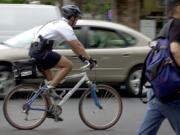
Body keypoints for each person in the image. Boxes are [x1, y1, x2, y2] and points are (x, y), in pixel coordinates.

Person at [29, 5, 96, 121]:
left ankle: (50, 110)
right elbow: (77, 45)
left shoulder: (57, 23)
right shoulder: (65, 26)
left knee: (50, 81)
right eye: (76, 17)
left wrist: (82, 57)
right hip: (42, 52)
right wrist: (89, 59)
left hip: (37, 51)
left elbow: (74, 47)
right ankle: (48, 89)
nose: (77, 20)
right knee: (68, 65)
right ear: (71, 17)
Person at [136, 0, 180, 134]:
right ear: (178, 8)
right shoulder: (178, 24)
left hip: (157, 88)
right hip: (172, 92)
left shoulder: (167, 26)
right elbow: (175, 50)